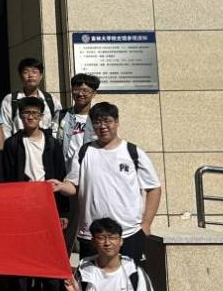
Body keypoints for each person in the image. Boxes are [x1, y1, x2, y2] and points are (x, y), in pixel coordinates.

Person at [0, 97, 70, 291]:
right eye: (26, 113)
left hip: (47, 204)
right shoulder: (12, 144)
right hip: (20, 207)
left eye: (35, 113)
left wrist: (62, 212)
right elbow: (4, 178)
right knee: (20, 257)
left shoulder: (52, 143)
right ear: (20, 117)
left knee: (49, 257)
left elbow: (60, 176)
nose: (30, 117)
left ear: (42, 116)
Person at [50, 102, 162, 263]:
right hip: (91, 235)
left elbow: (154, 188)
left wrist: (146, 224)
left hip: (128, 233)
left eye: (107, 121)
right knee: (92, 278)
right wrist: (61, 186)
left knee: (130, 279)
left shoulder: (133, 152)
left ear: (117, 122)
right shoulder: (84, 152)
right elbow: (74, 186)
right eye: (97, 122)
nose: (103, 126)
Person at [0, 56, 58, 139]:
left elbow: (56, 127)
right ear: (20, 76)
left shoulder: (51, 100)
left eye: (34, 72)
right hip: (19, 145)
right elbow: (5, 129)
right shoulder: (10, 100)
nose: (30, 75)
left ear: (41, 76)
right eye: (26, 72)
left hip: (46, 145)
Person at [51, 73, 99, 162]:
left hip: (91, 165)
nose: (80, 94)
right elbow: (53, 142)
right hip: (66, 167)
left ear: (93, 93)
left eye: (85, 90)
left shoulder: (99, 118)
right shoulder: (61, 115)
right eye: (76, 90)